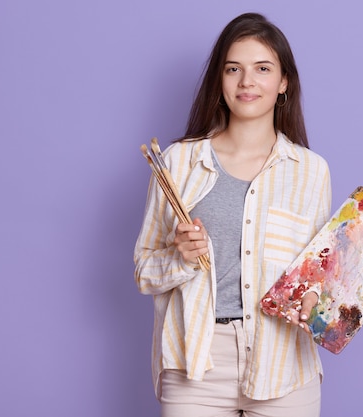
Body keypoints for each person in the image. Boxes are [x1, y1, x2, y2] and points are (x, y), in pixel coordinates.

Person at [134, 12, 331, 417]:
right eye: (233, 69)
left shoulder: (311, 171)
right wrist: (181, 258)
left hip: (285, 364)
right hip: (197, 362)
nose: (247, 81)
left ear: (283, 83)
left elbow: (318, 278)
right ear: (219, 81)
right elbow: (144, 270)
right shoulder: (178, 162)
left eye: (262, 68)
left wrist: (321, 301)